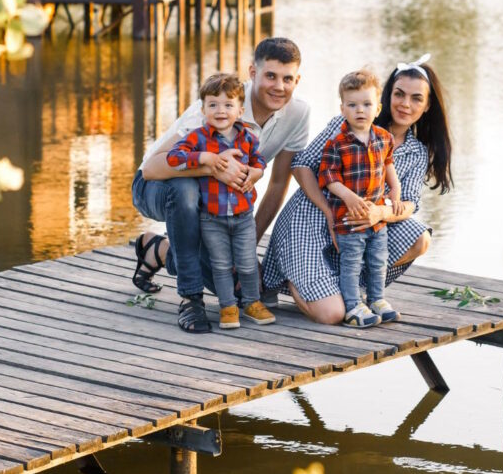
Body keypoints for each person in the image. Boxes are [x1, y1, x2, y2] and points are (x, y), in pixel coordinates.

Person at [131, 38, 310, 333]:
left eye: (287, 78)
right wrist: (213, 166)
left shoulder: (298, 113)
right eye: (270, 76)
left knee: (244, 290)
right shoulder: (220, 104)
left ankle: (157, 250)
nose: (279, 86)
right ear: (253, 72)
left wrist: (247, 244)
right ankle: (190, 299)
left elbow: (278, 183)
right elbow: (152, 169)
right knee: (185, 192)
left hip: (216, 203)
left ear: (297, 80)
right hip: (158, 188)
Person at [262, 54, 453, 324]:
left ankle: (353, 291)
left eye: (416, 98)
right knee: (332, 315)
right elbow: (301, 165)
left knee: (420, 238)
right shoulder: (350, 120)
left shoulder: (416, 152)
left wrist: (378, 214)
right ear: (386, 98)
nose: (405, 104)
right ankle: (289, 276)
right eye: (399, 94)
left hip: (363, 227)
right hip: (312, 220)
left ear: (427, 105)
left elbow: (408, 203)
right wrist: (329, 212)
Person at [165, 73, 276, 329]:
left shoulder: (248, 138)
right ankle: (228, 307)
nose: (220, 111)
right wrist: (205, 158)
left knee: (247, 263)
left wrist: (258, 171)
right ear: (203, 109)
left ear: (240, 110)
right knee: (221, 265)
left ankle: (251, 302)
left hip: (243, 217)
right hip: (212, 218)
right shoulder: (198, 138)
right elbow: (173, 157)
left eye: (228, 105)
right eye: (213, 105)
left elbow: (258, 160)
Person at [319, 70, 404, 327]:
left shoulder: (384, 138)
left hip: (376, 218)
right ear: (343, 108)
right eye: (353, 105)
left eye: (367, 104)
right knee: (352, 264)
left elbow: (389, 167)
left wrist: (395, 193)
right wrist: (349, 197)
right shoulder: (337, 144)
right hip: (350, 219)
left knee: (379, 261)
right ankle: (354, 306)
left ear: (377, 108)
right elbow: (329, 178)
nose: (360, 110)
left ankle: (377, 299)